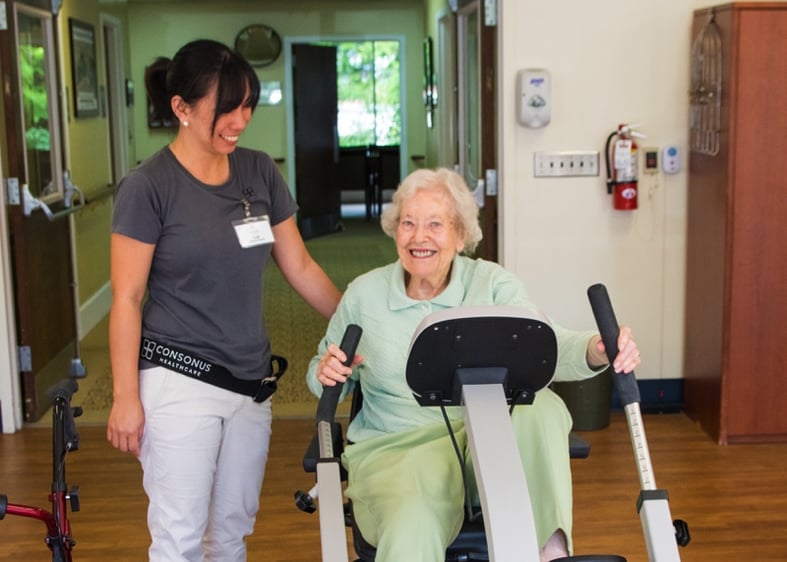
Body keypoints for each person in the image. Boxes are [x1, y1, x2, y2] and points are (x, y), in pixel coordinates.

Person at [307, 167, 641, 562]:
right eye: (408, 224)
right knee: (414, 520)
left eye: (435, 224)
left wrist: (596, 348)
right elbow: (324, 372)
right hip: (400, 449)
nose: (419, 237)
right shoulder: (365, 295)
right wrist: (325, 371)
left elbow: (545, 343)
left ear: (461, 235)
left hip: (488, 439)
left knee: (543, 406)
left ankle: (549, 551)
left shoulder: (492, 284)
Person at [106, 39, 341, 562]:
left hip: (250, 383)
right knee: (180, 538)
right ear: (181, 108)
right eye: (226, 108)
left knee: (231, 534)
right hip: (178, 381)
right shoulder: (149, 187)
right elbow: (126, 297)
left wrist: (357, 320)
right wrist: (125, 396)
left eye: (247, 105)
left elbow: (299, 265)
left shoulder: (258, 171)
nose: (240, 119)